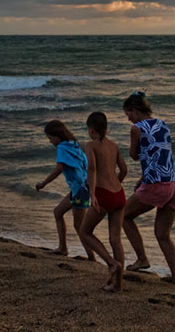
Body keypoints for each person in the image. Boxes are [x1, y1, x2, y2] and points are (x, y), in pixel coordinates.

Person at [121, 90, 175, 284]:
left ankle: (142, 258)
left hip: (157, 184)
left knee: (123, 215)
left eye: (128, 114)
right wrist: (143, 177)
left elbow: (134, 155)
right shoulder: (163, 125)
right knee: (163, 235)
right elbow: (159, 155)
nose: (128, 119)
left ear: (135, 110)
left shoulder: (137, 128)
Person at [77, 111, 129, 291]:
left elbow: (91, 169)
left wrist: (93, 195)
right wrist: (117, 184)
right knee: (116, 239)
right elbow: (124, 169)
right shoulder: (114, 145)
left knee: (85, 232)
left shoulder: (90, 145)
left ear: (91, 130)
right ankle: (118, 284)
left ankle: (111, 263)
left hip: (103, 193)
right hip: (119, 193)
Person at [35, 120, 95, 260]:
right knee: (58, 212)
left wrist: (43, 183)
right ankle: (63, 248)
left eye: (50, 138)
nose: (50, 142)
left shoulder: (62, 147)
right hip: (81, 187)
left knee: (79, 225)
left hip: (79, 189)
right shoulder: (74, 145)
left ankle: (91, 256)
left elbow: (59, 168)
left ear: (57, 136)